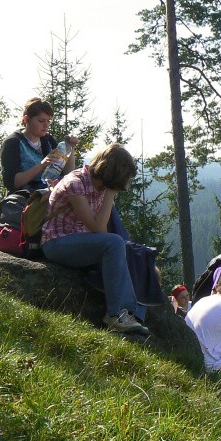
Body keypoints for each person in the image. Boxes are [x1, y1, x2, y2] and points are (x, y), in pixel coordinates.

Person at [40, 143, 153, 335]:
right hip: (57, 243)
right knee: (115, 243)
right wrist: (111, 192)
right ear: (114, 172)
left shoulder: (98, 186)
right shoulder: (76, 183)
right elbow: (98, 228)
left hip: (79, 243)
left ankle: (132, 314)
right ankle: (116, 315)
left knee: (134, 254)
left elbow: (99, 232)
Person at [0, 96, 78, 193]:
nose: (46, 125)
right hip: (25, 195)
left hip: (50, 192)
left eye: (48, 121)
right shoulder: (13, 143)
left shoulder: (48, 140)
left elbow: (68, 174)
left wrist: (70, 147)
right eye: (41, 121)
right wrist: (42, 165)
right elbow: (13, 183)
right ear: (26, 119)